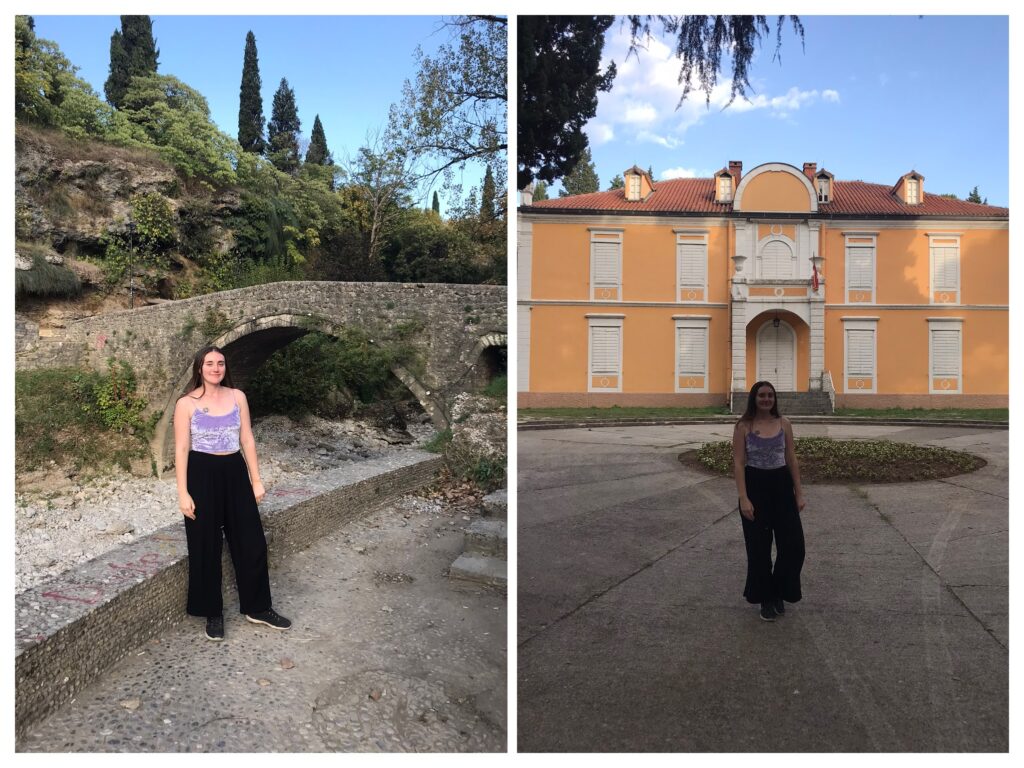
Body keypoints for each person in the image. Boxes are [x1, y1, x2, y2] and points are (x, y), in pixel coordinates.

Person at [174, 345, 291, 641]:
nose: (216, 368)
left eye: (221, 363)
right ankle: (212, 612)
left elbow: (248, 439)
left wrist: (256, 480)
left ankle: (258, 607)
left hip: (235, 470)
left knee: (251, 541)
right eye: (210, 363)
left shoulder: (238, 397)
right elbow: (181, 449)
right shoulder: (186, 403)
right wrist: (183, 493)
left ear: (226, 368)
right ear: (199, 368)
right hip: (201, 473)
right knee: (205, 545)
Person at [732, 380, 806, 622]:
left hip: (782, 487)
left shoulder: (784, 424)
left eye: (770, 395)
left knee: (794, 546)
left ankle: (781, 591)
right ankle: (765, 597)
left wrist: (799, 492)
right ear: (754, 398)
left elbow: (791, 458)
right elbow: (739, 463)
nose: (766, 399)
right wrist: (743, 498)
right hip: (755, 488)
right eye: (762, 395)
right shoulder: (743, 426)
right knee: (759, 549)